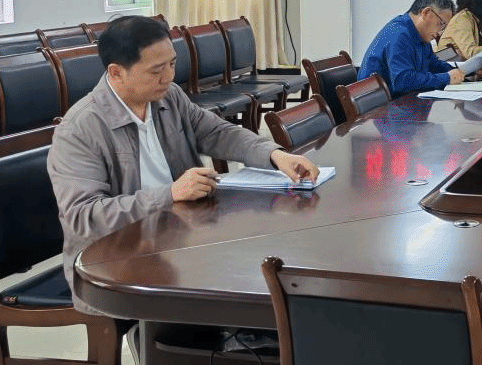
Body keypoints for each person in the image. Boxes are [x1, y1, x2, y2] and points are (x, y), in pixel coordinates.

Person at [49, 16, 319, 313]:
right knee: (239, 290)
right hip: (116, 260)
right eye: (156, 70)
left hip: (177, 236)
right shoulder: (80, 129)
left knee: (266, 264)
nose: (169, 77)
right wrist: (170, 194)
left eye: (172, 64)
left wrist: (274, 155)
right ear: (116, 73)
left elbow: (217, 132)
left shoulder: (169, 98)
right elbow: (83, 216)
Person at [358, 0, 467, 96]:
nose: (440, 32)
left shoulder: (421, 35)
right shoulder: (399, 34)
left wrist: (462, 73)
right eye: (441, 24)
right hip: (376, 104)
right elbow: (403, 81)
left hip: (398, 99)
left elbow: (434, 65)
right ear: (426, 12)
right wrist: (446, 78)